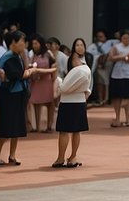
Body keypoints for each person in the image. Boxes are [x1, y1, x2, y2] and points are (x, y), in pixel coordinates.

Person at [0, 30, 31, 166]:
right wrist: (28, 72)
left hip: (17, 94)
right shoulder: (8, 57)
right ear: (13, 43)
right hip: (8, 96)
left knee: (17, 126)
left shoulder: (17, 56)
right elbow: (16, 75)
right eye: (21, 41)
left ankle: (12, 155)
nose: (24, 44)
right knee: (6, 126)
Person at [52, 38, 92, 168]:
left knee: (72, 131)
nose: (79, 47)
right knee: (71, 131)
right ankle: (64, 157)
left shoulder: (82, 69)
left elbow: (64, 88)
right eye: (77, 45)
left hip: (73, 101)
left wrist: (59, 83)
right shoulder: (82, 69)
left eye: (81, 45)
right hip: (73, 101)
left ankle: (70, 157)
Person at [109, 29, 129, 127]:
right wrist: (123, 57)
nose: (125, 40)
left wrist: (119, 57)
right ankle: (117, 118)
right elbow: (111, 57)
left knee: (128, 96)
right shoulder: (116, 46)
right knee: (116, 96)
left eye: (127, 38)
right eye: (124, 38)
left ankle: (127, 119)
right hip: (117, 74)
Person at [27, 34, 58, 133]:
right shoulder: (33, 55)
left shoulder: (48, 54)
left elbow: (54, 66)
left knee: (49, 103)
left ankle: (49, 125)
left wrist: (54, 78)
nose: (34, 46)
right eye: (33, 44)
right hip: (37, 82)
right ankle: (36, 126)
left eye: (36, 43)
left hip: (47, 81)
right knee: (35, 103)